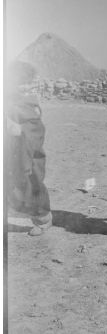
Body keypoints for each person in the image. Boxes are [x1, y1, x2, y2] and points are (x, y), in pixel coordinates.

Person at [5, 61, 53, 236]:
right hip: (11, 151)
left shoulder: (27, 106)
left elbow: (32, 132)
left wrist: (14, 128)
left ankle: (43, 218)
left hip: (27, 154)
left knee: (30, 185)